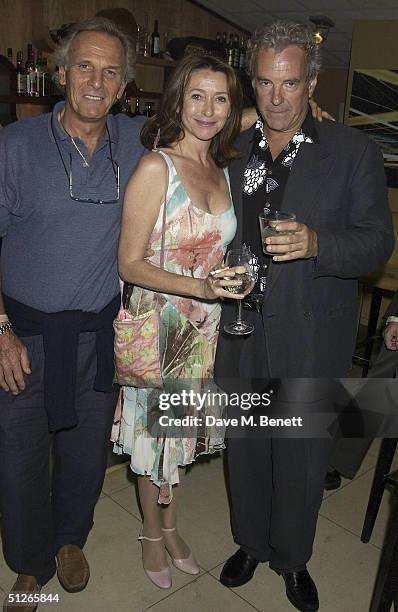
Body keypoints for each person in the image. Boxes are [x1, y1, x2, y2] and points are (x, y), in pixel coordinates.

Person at [214, 20, 394, 612]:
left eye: (289, 83)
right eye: (265, 83)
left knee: (300, 455)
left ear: (310, 81)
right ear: (252, 83)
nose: (276, 97)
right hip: (242, 327)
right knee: (248, 448)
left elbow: (376, 244)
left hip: (312, 332)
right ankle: (249, 542)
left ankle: (292, 559)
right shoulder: (230, 148)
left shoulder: (352, 152)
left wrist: (319, 243)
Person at [0, 17, 146, 612]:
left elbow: (208, 118)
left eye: (110, 71)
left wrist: (283, 116)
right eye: (84, 66)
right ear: (60, 74)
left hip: (98, 333)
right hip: (23, 336)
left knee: (87, 453)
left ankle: (69, 541)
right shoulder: (14, 145)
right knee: (20, 455)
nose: (96, 80)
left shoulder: (138, 141)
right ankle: (30, 562)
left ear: (123, 86)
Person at [111, 53, 247, 589]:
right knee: (154, 438)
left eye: (220, 99)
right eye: (197, 96)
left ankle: (171, 525)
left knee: (182, 434)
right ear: (178, 100)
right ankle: (150, 532)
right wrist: (200, 287)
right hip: (160, 323)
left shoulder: (223, 170)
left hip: (205, 327)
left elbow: (217, 249)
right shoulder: (155, 167)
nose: (208, 109)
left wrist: (232, 280)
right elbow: (129, 262)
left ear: (232, 108)